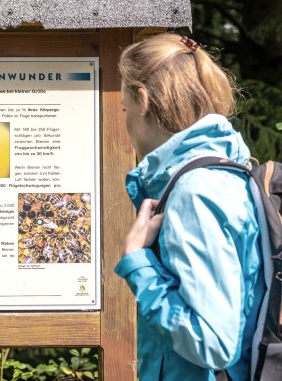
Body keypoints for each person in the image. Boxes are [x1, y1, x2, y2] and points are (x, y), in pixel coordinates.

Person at [114, 33, 266, 380]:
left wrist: (139, 263)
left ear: (142, 100)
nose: (125, 121)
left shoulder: (196, 192)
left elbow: (212, 342)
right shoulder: (222, 174)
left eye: (124, 107)